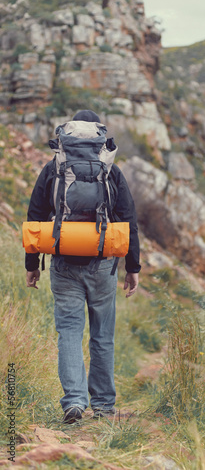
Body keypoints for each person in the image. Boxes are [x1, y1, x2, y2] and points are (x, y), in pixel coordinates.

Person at [25, 109, 141, 424]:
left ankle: (74, 403)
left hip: (63, 262)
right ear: (98, 139)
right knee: (102, 335)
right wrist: (133, 268)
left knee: (69, 332)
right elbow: (128, 221)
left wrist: (32, 264)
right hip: (103, 265)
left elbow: (35, 215)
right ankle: (103, 406)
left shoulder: (55, 168)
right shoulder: (110, 171)